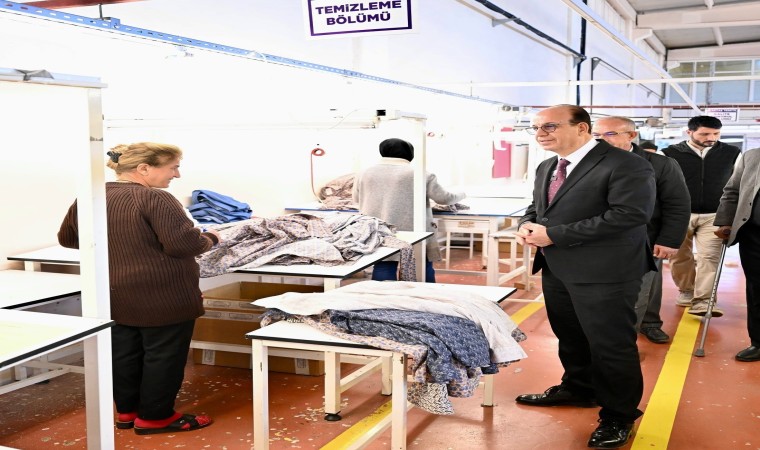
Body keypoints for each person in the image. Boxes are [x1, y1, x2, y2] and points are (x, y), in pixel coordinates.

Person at [514, 105, 656, 449]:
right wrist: (527, 224)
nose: (540, 134)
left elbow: (629, 215)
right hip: (558, 268)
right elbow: (540, 208)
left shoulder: (626, 164)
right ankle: (579, 389)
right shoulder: (548, 166)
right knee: (571, 336)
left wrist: (554, 235)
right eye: (535, 128)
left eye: (549, 126)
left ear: (582, 128)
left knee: (610, 345)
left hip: (606, 271)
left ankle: (618, 415)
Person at [58, 142, 221, 435]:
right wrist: (211, 238)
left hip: (115, 293)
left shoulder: (91, 196)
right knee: (163, 355)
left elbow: (69, 239)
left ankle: (128, 412)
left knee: (124, 354)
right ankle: (156, 417)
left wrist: (119, 243)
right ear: (144, 168)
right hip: (163, 295)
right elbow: (184, 245)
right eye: (173, 167)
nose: (177, 175)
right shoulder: (156, 198)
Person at [592, 117, 690, 344]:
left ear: (631, 135)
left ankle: (641, 330)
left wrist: (669, 240)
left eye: (610, 134)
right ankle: (613, 335)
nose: (602, 140)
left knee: (643, 288)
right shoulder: (590, 163)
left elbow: (677, 203)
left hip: (646, 237)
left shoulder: (660, 164)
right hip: (600, 237)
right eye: (597, 136)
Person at [352, 137, 465, 282]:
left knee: (383, 265)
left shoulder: (364, 173)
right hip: (413, 231)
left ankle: (383, 296)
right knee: (421, 265)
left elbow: (356, 199)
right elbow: (444, 199)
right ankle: (424, 295)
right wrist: (462, 194)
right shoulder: (419, 173)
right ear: (409, 153)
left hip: (378, 230)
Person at [662, 116, 741, 317]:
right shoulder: (669, 154)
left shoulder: (732, 153)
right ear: (689, 132)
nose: (711, 138)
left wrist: (731, 215)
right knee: (679, 256)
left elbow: (738, 184)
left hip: (715, 215)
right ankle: (687, 291)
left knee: (710, 257)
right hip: (679, 214)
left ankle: (704, 301)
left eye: (716, 133)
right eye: (705, 134)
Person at [713, 148, 760, 362]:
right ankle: (758, 342)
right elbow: (732, 191)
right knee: (756, 288)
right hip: (754, 234)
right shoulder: (752, 156)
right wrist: (725, 221)